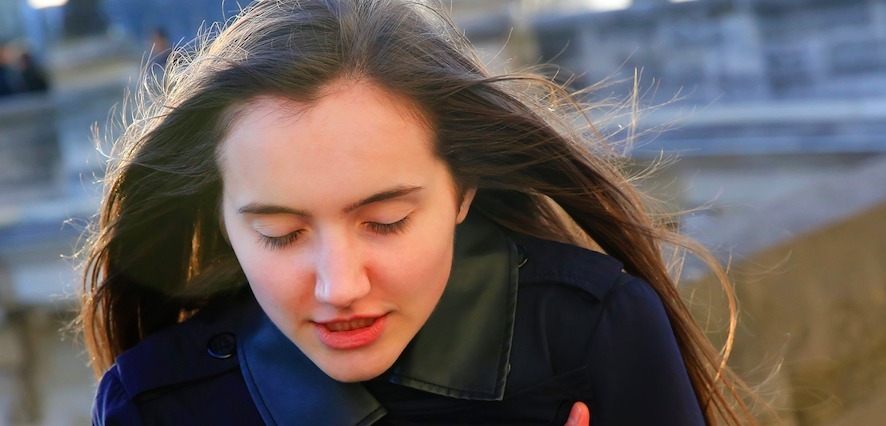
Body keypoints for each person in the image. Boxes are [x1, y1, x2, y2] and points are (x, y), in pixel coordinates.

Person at [78, 0, 756, 424]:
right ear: (222, 221)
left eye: (385, 222)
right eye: (280, 235)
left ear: (463, 189)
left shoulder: (589, 327)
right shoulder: (157, 403)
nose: (338, 286)